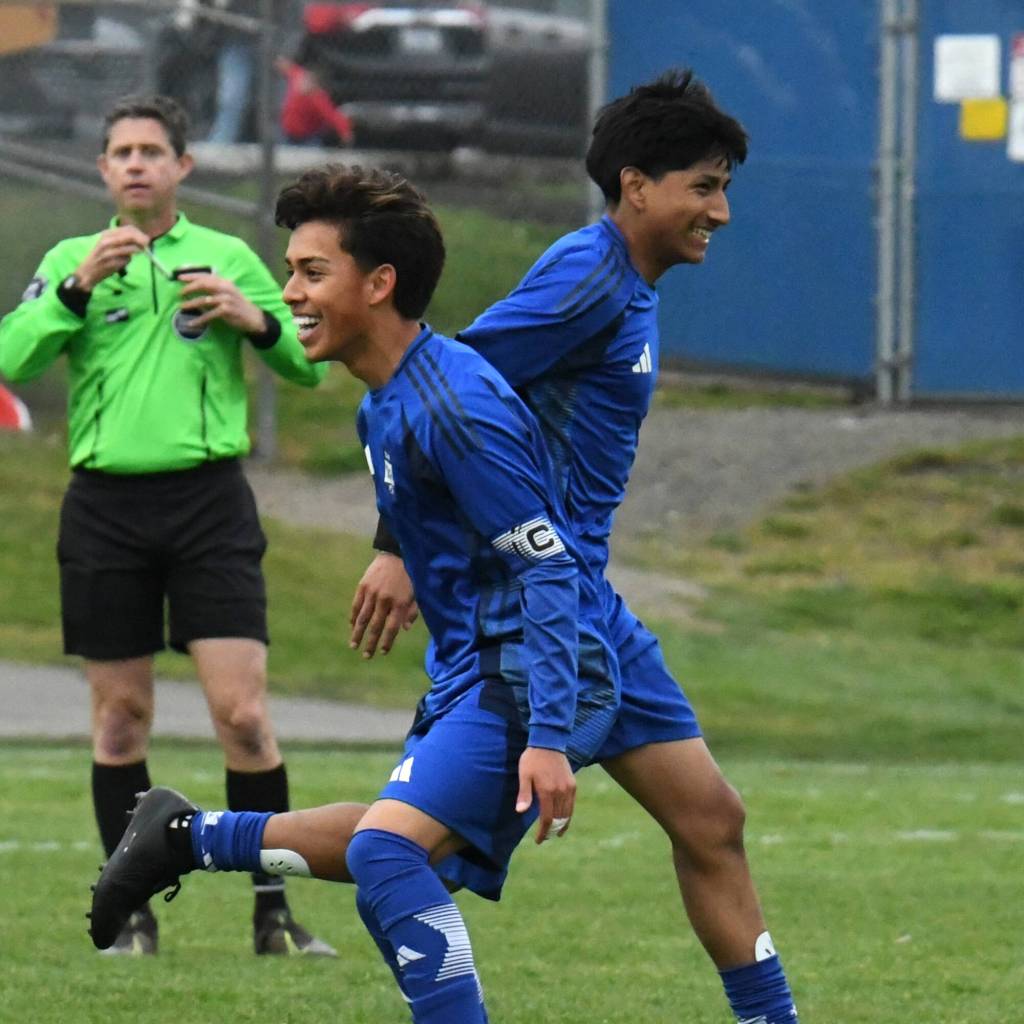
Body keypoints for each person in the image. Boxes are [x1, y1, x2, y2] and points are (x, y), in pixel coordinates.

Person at [88, 164, 621, 1024]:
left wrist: (551, 736)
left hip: (532, 671)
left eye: (310, 272)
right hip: (475, 667)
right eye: (288, 269)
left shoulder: (455, 407)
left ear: (380, 284)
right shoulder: (386, 404)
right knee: (396, 836)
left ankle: (187, 840)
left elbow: (551, 568)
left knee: (387, 855)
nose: (288, 291)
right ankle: (181, 836)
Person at [351, 69, 801, 1023]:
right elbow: (447, 379)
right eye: (704, 186)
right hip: (535, 614)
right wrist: (397, 541)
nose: (719, 210)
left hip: (589, 606)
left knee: (712, 820)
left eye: (725, 188)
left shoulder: (626, 282)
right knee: (403, 846)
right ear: (636, 185)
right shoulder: (586, 277)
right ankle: (201, 839)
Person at [0, 94, 334, 958]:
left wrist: (254, 317)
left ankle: (274, 915)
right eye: (122, 152)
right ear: (105, 171)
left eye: (154, 150)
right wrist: (74, 292)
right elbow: (10, 357)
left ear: (184, 167)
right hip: (105, 507)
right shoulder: (74, 258)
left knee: (245, 716)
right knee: (119, 721)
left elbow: (305, 362)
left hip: (209, 504)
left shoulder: (227, 257)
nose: (138, 163)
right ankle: (131, 916)